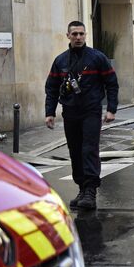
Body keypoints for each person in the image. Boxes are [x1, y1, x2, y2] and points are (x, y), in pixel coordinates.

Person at [45, 21, 118, 210]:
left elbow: (111, 83)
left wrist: (111, 109)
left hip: (91, 111)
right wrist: (49, 113)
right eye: (75, 34)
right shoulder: (60, 61)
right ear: (68, 36)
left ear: (86, 35)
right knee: (75, 151)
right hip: (70, 113)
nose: (78, 37)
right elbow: (52, 88)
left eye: (81, 34)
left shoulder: (97, 58)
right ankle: (82, 188)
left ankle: (90, 192)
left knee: (89, 150)